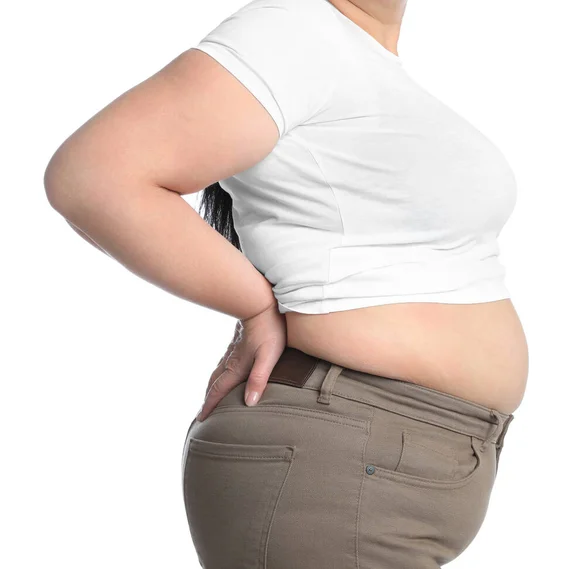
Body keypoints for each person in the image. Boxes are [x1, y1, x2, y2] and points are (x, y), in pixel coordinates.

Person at [44, 0, 529, 566]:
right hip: (344, 451)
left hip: (404, 455)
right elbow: (92, 177)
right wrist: (254, 306)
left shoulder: (358, 57)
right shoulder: (294, 30)